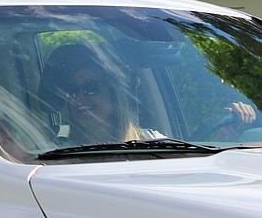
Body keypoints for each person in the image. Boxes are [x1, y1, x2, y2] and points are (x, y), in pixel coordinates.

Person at [41, 43, 255, 145]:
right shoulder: (55, 149)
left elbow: (187, 167)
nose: (79, 97)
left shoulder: (152, 141)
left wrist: (225, 137)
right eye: (71, 90)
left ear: (115, 94)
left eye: (90, 88)